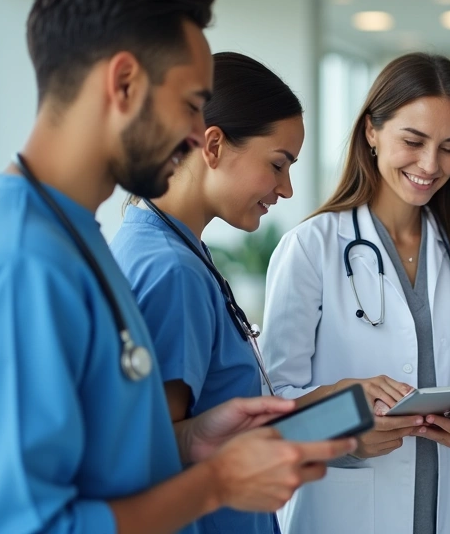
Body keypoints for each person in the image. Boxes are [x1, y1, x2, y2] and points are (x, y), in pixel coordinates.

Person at [0, 0, 353, 533]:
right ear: (123, 83)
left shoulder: (75, 238)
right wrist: (217, 483)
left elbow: (100, 457)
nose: (201, 136)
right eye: (193, 105)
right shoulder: (18, 264)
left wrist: (193, 439)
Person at [261, 52, 450, 534]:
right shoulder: (313, 247)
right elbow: (271, 405)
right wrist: (346, 434)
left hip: (441, 514)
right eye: (413, 140)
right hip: (341, 513)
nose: (431, 164)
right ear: (371, 132)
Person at [110, 51, 305, 534]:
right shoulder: (173, 271)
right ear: (213, 145)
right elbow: (160, 452)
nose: (287, 189)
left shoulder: (160, 241)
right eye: (278, 164)